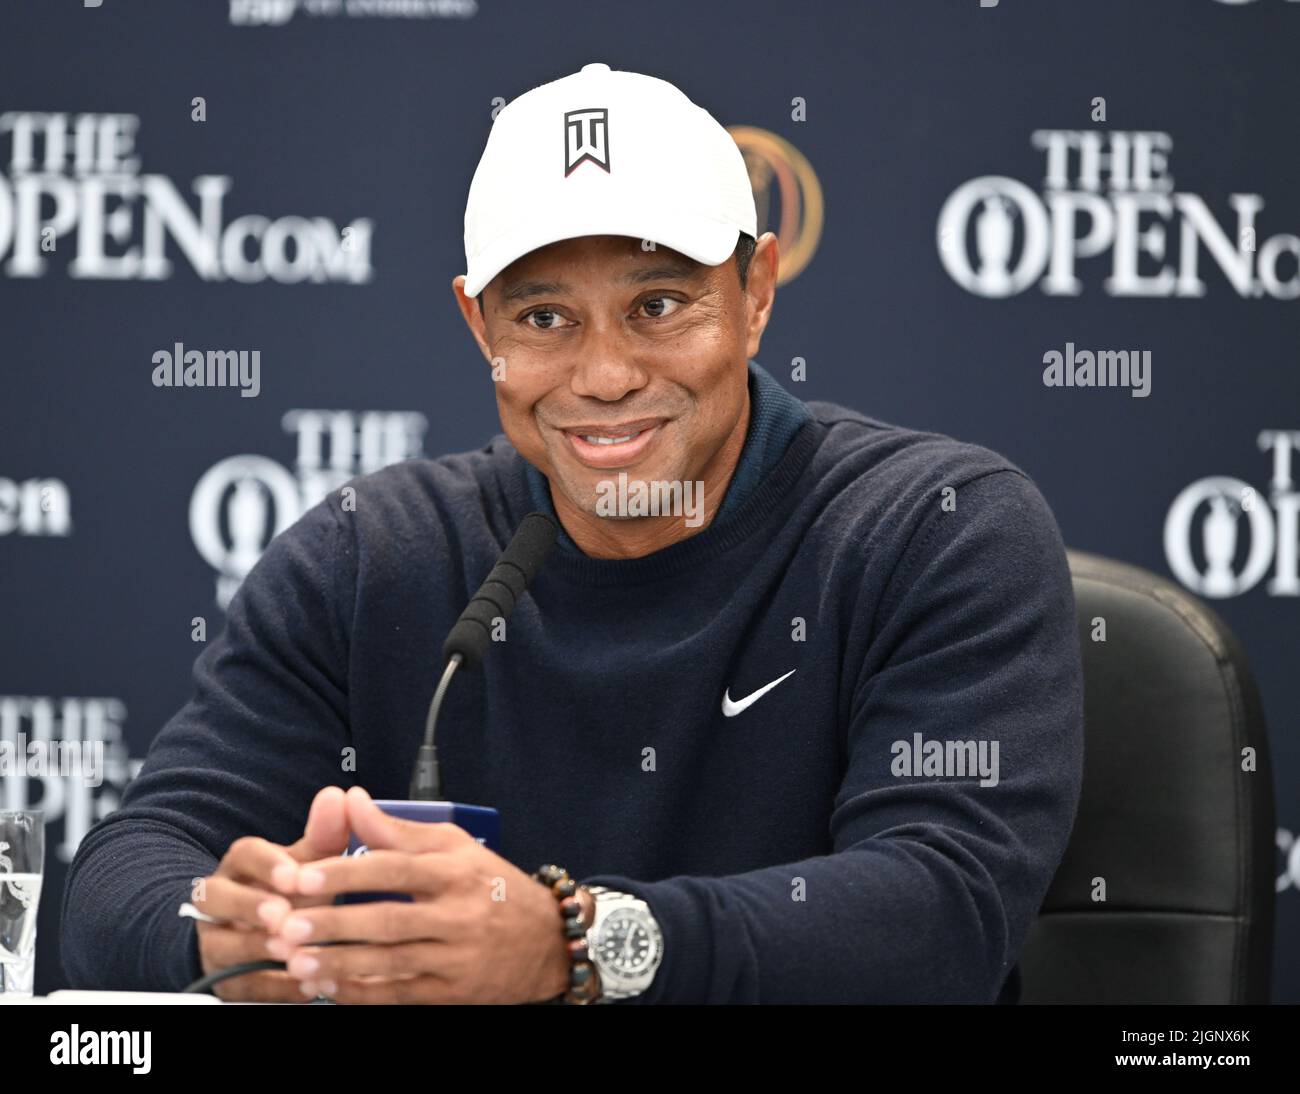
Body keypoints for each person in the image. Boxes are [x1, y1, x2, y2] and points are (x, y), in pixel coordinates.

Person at [61, 62, 1084, 1004]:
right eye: (544, 319)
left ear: (756, 293)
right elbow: (125, 869)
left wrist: (576, 944)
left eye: (657, 304)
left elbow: (943, 913)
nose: (603, 376)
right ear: (478, 325)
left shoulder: (934, 530)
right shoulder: (372, 555)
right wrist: (237, 928)